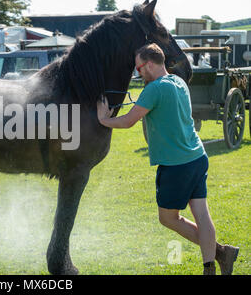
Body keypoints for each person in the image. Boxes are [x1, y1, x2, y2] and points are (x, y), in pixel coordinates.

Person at [96, 43, 239, 275]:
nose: (138, 74)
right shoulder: (178, 82)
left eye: (139, 69)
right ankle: (210, 267)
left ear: (150, 64)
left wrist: (103, 119)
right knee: (202, 214)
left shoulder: (154, 89)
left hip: (177, 165)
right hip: (197, 157)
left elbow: (128, 121)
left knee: (168, 218)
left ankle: (221, 253)